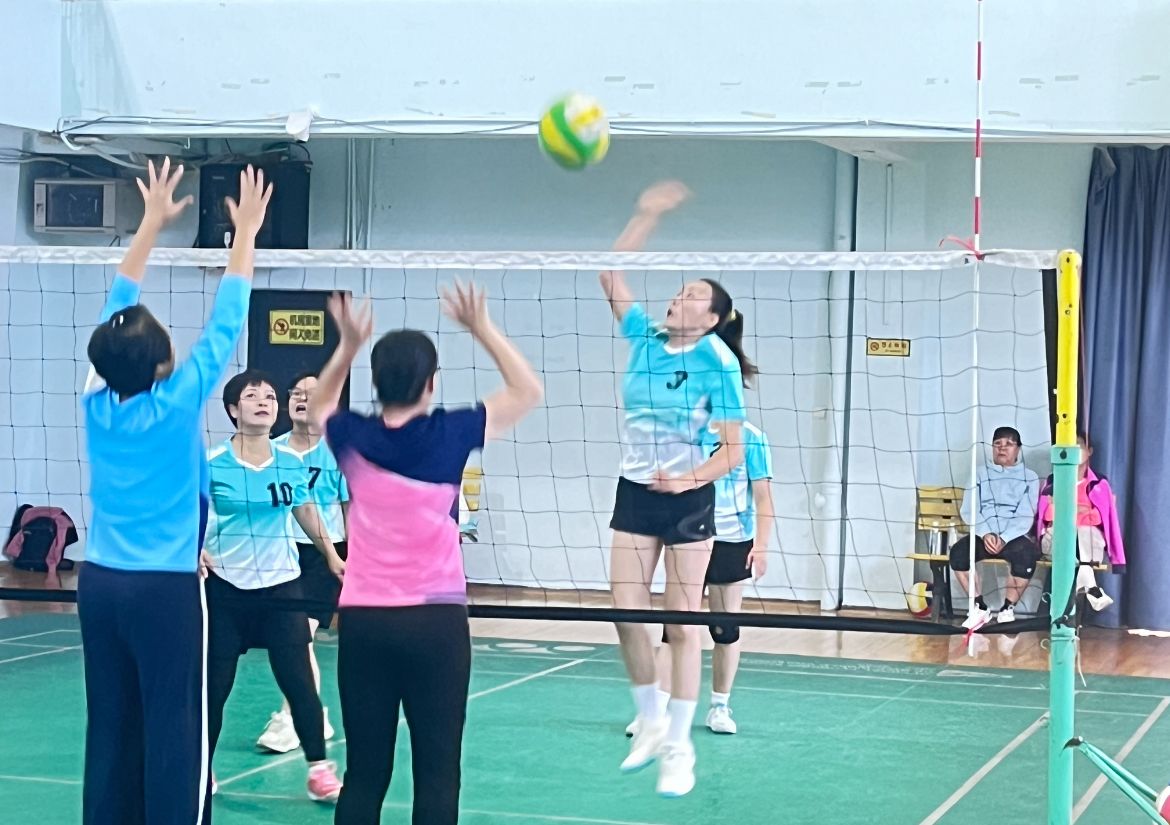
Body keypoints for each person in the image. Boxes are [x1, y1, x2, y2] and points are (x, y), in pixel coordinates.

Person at [78, 159, 268, 825]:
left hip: (99, 585)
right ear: (163, 362)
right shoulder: (179, 400)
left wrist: (151, 223)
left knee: (110, 722)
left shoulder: (95, 399)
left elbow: (116, 311)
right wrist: (245, 234)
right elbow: (227, 321)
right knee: (174, 723)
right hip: (163, 590)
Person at [312, 283, 542, 824]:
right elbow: (527, 389)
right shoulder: (452, 432)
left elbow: (320, 404)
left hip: (365, 620)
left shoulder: (352, 435)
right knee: (438, 772)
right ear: (432, 382)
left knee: (365, 772)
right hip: (436, 623)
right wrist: (481, 326)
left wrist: (346, 346)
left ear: (374, 381)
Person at [600, 181, 752, 797]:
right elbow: (610, 274)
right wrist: (646, 212)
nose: (678, 297)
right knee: (625, 611)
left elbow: (733, 452)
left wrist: (686, 478)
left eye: (692, 296)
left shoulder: (719, 363)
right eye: (679, 290)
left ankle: (680, 745)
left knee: (683, 623)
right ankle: (650, 718)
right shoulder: (644, 337)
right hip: (635, 492)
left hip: (688, 499)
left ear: (711, 318)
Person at [201, 370, 346, 809]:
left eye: (269, 396)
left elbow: (305, 510)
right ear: (233, 409)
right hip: (226, 590)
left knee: (300, 684)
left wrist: (332, 555)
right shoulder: (211, 463)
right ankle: (201, 769)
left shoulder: (290, 462)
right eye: (252, 396)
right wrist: (192, 550)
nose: (264, 402)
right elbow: (188, 513)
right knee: (213, 688)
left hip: (282, 588)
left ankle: (319, 771)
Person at [628, 419, 775, 737]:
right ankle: (655, 712)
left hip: (732, 539)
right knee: (675, 624)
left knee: (725, 627)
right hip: (689, 536)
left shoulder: (751, 438)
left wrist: (761, 546)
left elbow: (764, 497)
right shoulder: (685, 432)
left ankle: (719, 706)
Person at [255, 371, 350, 754]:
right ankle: (313, 714)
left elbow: (350, 509)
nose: (301, 399)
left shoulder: (337, 453)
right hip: (278, 553)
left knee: (298, 635)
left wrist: (351, 557)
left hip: (323, 555)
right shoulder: (270, 450)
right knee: (289, 639)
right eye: (295, 393)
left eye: (311, 394)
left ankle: (291, 717)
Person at [949, 426, 1041, 629]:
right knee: (958, 554)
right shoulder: (979, 474)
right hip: (984, 534)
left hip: (1012, 536)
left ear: (1018, 449)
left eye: (1008, 444)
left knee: (1027, 556)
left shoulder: (1030, 477)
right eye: (997, 444)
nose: (1002, 448)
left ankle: (1007, 609)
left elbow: (1026, 514)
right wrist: (985, 533)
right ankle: (980, 608)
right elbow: (970, 509)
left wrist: (1005, 537)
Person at [1035, 431, 1125, 612]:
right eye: (1069, 446)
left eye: (1079, 445)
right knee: (1070, 533)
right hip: (1055, 542)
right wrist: (1082, 511)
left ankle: (1071, 601)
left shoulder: (1099, 484)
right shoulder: (1052, 483)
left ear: (1089, 451)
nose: (1074, 450)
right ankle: (1090, 586)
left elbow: (1098, 517)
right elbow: (1049, 516)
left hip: (1090, 543)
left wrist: (1066, 510)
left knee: (1083, 532)